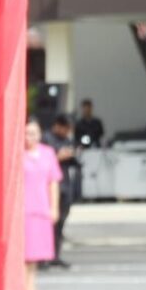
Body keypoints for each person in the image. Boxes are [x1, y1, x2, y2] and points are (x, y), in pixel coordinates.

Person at [23, 118, 61, 290]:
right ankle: (23, 287)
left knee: (35, 253)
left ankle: (31, 285)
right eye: (26, 133)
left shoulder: (48, 154)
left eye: (33, 133)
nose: (29, 137)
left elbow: (53, 182)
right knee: (24, 252)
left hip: (41, 207)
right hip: (23, 209)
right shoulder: (17, 155)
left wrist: (54, 207)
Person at [47, 113, 80, 269]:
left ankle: (55, 254)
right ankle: (44, 256)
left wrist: (73, 154)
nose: (67, 133)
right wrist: (60, 156)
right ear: (58, 126)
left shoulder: (67, 140)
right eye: (66, 129)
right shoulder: (47, 139)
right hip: (52, 186)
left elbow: (74, 159)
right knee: (49, 224)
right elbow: (47, 159)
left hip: (66, 184)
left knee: (61, 223)